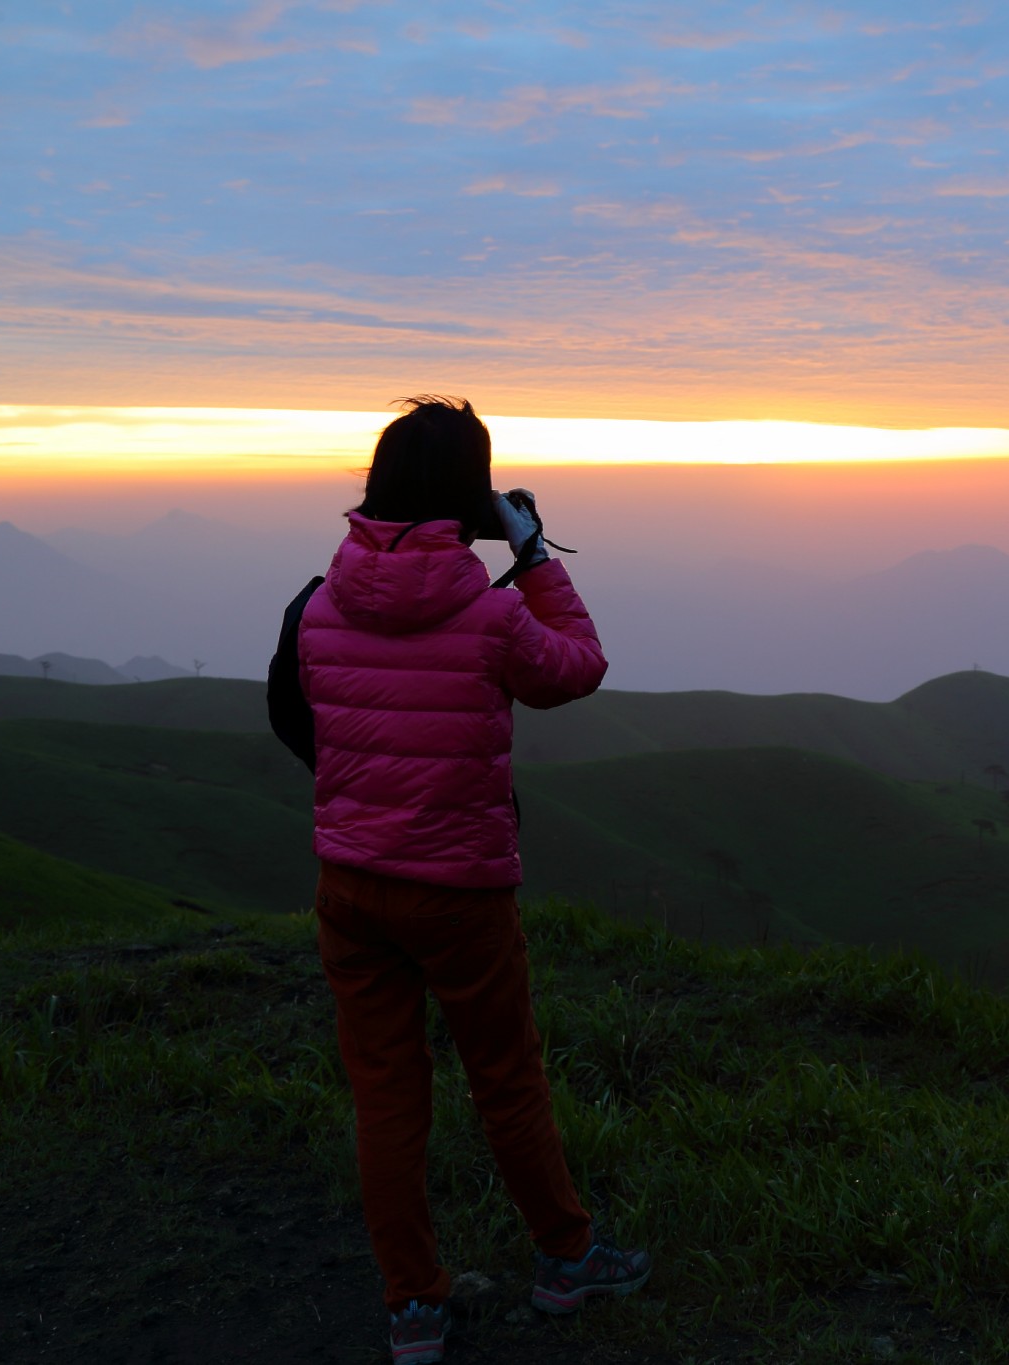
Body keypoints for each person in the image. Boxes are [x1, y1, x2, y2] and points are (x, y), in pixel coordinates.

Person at [266, 396, 650, 1365]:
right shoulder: (488, 618)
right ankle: (567, 1259)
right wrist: (534, 558)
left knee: (386, 1098)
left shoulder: (314, 605)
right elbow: (580, 667)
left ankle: (412, 1309)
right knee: (504, 1081)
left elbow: (308, 715)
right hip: (460, 892)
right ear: (468, 499)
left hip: (350, 886)